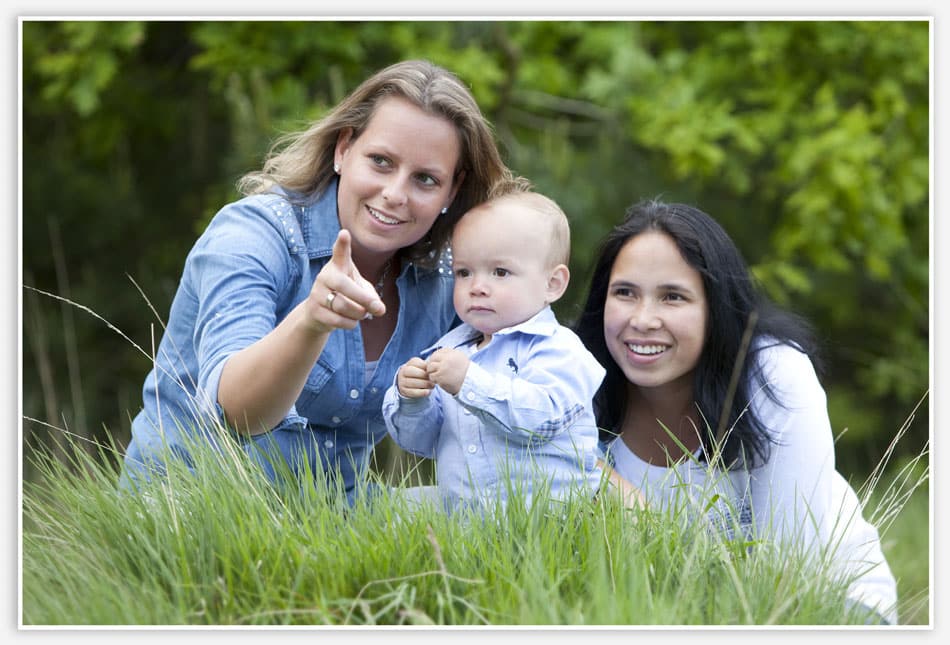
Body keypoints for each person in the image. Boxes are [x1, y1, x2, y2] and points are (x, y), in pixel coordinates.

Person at [120, 60, 518, 502]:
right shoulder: (253, 234)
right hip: (191, 511)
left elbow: (530, 372)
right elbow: (236, 412)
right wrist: (311, 320)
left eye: (425, 179)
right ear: (343, 149)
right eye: (381, 162)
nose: (396, 193)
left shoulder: (451, 278)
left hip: (335, 516)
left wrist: (592, 476)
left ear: (452, 190)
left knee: (483, 511)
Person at [573, 199, 899, 624]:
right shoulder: (572, 388)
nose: (643, 319)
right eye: (625, 293)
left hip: (825, 609)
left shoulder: (774, 374)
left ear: (716, 308)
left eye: (673, 296)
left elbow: (786, 576)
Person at [381, 189, 605, 511]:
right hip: (466, 519)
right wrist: (413, 400)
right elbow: (423, 443)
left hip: (545, 522)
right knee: (385, 505)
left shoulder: (560, 350)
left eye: (500, 272)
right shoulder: (451, 349)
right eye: (464, 272)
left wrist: (469, 382)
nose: (477, 286)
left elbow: (540, 420)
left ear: (552, 284)